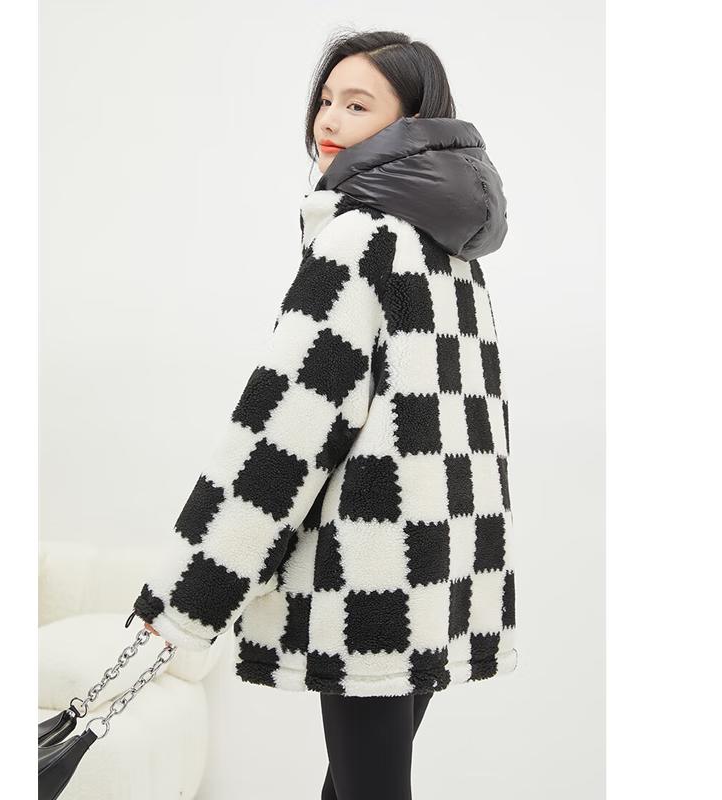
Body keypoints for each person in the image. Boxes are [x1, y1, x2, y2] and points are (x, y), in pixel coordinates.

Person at [133, 28, 516, 800]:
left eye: (358, 104)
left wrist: (182, 602)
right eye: (326, 100)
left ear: (411, 122)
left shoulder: (358, 239)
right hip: (437, 574)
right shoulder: (449, 251)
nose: (329, 120)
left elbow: (283, 434)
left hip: (368, 579)